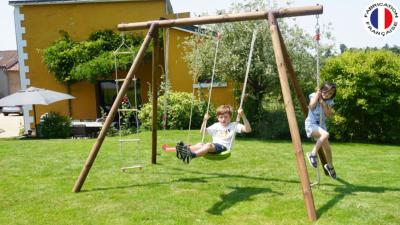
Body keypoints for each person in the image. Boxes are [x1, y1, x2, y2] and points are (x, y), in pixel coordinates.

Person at [169, 105, 252, 164]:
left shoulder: (234, 125)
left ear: (230, 117)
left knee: (208, 145)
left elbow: (248, 130)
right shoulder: (216, 125)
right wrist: (204, 120)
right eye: (221, 117)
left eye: (226, 117)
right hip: (214, 146)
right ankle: (184, 149)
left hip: (223, 148)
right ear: (218, 118)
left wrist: (243, 116)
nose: (223, 119)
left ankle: (191, 155)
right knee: (200, 144)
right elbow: (202, 132)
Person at [305, 82, 337, 179]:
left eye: (330, 93)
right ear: (322, 89)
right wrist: (318, 96)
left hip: (321, 127)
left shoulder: (329, 102)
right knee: (326, 134)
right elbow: (311, 106)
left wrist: (323, 103)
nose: (327, 94)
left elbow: (329, 115)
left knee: (327, 148)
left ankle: (329, 166)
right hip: (312, 124)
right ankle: (312, 154)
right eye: (326, 91)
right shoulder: (314, 95)